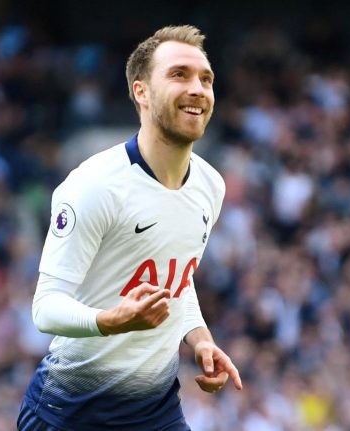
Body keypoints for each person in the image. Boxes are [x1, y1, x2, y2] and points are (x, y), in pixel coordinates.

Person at [18, 25, 242, 431]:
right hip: (70, 413)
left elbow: (177, 278)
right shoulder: (95, 185)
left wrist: (200, 338)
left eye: (206, 79)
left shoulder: (211, 185)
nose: (198, 89)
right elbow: (46, 307)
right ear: (142, 92)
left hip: (156, 411)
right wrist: (109, 320)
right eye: (179, 75)